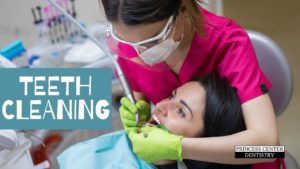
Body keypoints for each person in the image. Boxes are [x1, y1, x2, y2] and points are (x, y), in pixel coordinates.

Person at [100, 0, 282, 168]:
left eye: (154, 41)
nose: (140, 53)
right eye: (126, 41)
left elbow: (268, 149)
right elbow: (140, 108)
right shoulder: (133, 41)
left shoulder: (228, 44)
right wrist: (138, 119)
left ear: (183, 8)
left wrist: (179, 147)